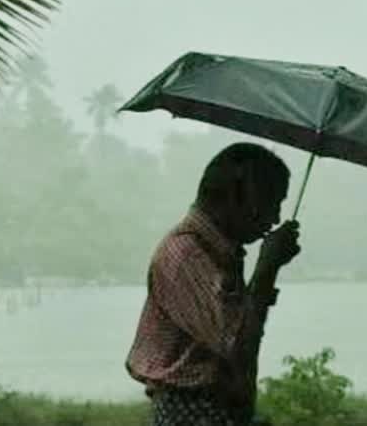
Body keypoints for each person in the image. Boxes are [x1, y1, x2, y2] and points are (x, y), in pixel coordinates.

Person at [126, 142, 302, 425]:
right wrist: (268, 267)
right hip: (192, 414)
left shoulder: (220, 253)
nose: (275, 218)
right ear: (239, 196)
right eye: (273, 202)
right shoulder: (187, 256)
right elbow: (238, 343)